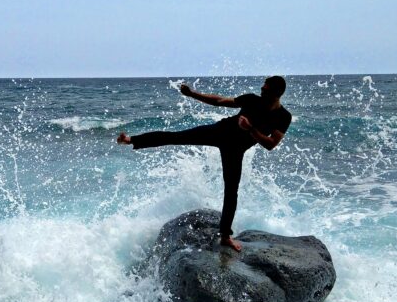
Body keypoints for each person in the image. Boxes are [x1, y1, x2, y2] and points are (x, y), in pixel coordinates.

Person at [117, 76, 292, 252]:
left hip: (236, 150)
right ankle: (131, 139)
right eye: (263, 86)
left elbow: (270, 144)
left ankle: (225, 236)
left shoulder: (283, 117)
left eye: (266, 88)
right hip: (219, 132)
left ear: (277, 93)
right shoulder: (252, 100)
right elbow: (220, 101)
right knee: (176, 137)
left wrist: (250, 129)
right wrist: (192, 94)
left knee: (231, 192)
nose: (262, 89)